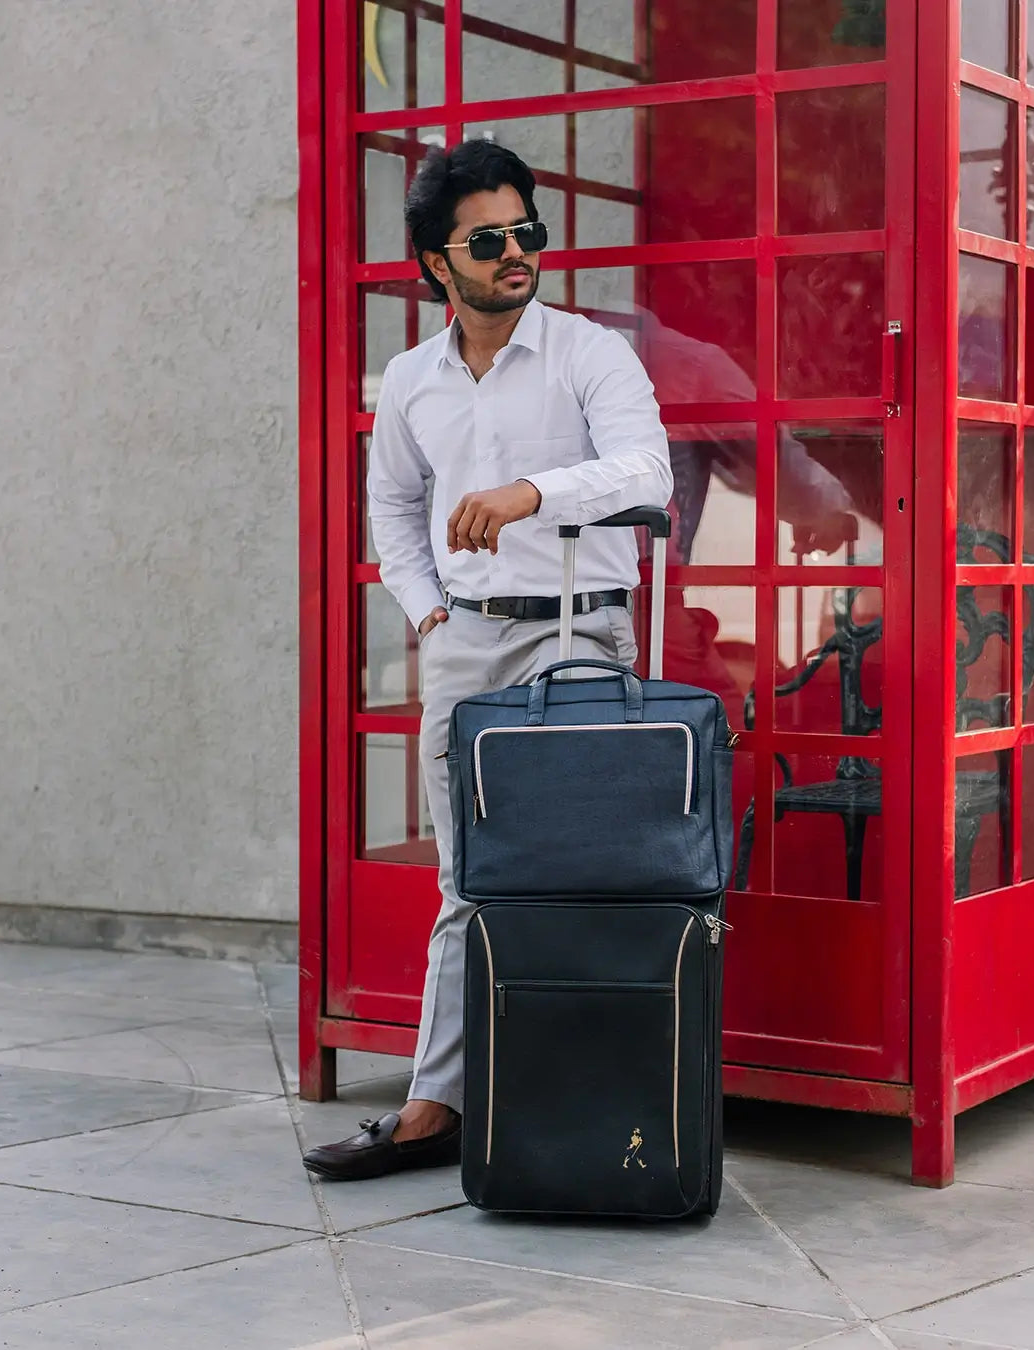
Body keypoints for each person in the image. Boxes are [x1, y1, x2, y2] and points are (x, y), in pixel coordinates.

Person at [301, 140, 672, 1181]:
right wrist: (427, 616)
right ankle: (439, 1105)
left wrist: (531, 493)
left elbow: (648, 468)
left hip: (579, 634)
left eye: (527, 233)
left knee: (586, 876)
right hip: (468, 644)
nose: (516, 253)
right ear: (434, 261)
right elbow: (393, 507)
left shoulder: (589, 353)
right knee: (467, 881)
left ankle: (589, 1109)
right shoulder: (414, 379)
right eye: (489, 238)